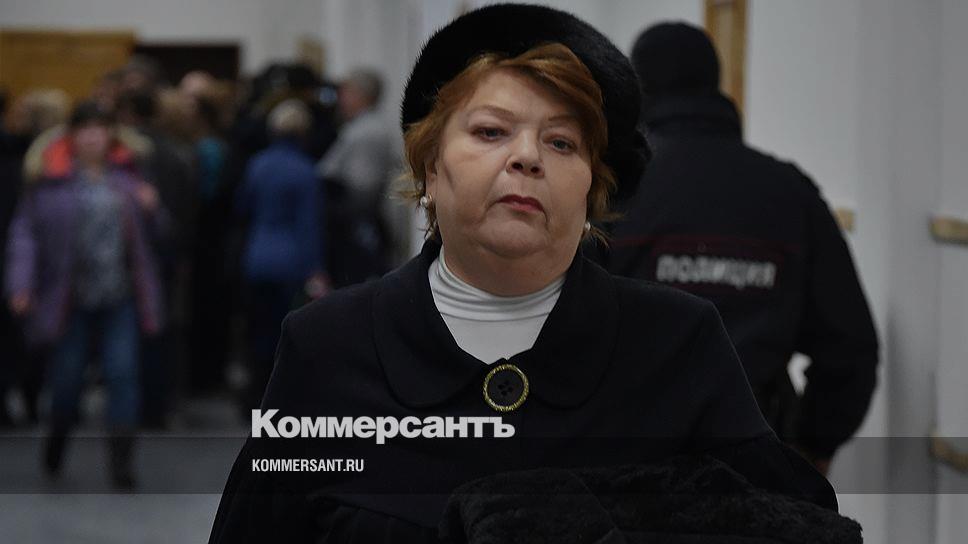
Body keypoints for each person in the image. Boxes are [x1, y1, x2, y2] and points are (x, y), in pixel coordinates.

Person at [210, 6, 836, 542]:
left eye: (562, 143)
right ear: (430, 170)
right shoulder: (328, 346)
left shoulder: (676, 342)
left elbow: (794, 522)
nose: (527, 156)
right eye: (491, 131)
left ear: (591, 192)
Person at [603, 23, 879, 475]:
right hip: (757, 468)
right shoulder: (791, 193)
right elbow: (850, 350)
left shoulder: (611, 193)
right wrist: (814, 445)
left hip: (628, 468)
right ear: (715, 85)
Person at [4, 101, 165, 489]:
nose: (93, 138)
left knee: (122, 375)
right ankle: (56, 441)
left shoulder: (129, 180)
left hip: (120, 297)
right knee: (66, 380)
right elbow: (25, 235)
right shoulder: (50, 181)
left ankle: (122, 462)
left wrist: (153, 209)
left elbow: (158, 237)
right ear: (72, 136)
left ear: (111, 136)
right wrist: (20, 284)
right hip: (69, 299)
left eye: (100, 130)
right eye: (86, 130)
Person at [235, 99, 328, 416]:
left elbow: (243, 208)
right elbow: (308, 224)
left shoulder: (257, 164)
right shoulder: (306, 171)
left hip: (257, 255)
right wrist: (316, 269)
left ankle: (253, 396)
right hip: (290, 261)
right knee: (285, 333)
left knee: (256, 330)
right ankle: (279, 401)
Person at [317, 68, 395, 285]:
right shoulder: (360, 127)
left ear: (361, 96)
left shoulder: (367, 132)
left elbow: (363, 187)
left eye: (345, 93)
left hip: (355, 229)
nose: (340, 100)